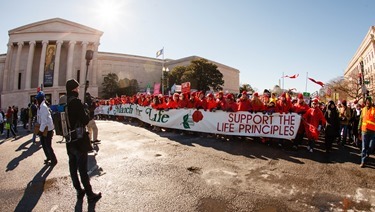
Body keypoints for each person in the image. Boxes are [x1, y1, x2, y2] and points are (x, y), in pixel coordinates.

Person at [65, 79, 102, 202]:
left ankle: (79, 190)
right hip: (79, 139)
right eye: (77, 88)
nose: (78, 90)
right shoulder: (75, 102)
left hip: (69, 139)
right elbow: (85, 120)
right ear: (73, 89)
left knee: (73, 167)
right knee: (82, 168)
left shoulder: (65, 102)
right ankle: (89, 193)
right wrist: (85, 109)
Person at [36, 91, 58, 166]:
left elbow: (44, 121)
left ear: (40, 99)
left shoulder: (43, 107)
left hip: (47, 129)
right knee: (44, 144)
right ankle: (49, 157)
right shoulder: (40, 107)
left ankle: (54, 160)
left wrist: (40, 131)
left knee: (48, 145)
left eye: (37, 99)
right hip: (44, 128)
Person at [358, 97, 375, 168]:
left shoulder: (374, 110)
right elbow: (361, 119)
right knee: (364, 147)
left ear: (371, 102)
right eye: (367, 101)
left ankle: (367, 155)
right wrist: (358, 128)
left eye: (369, 101)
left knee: (371, 146)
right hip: (364, 130)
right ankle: (363, 161)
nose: (367, 102)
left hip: (372, 132)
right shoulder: (363, 109)